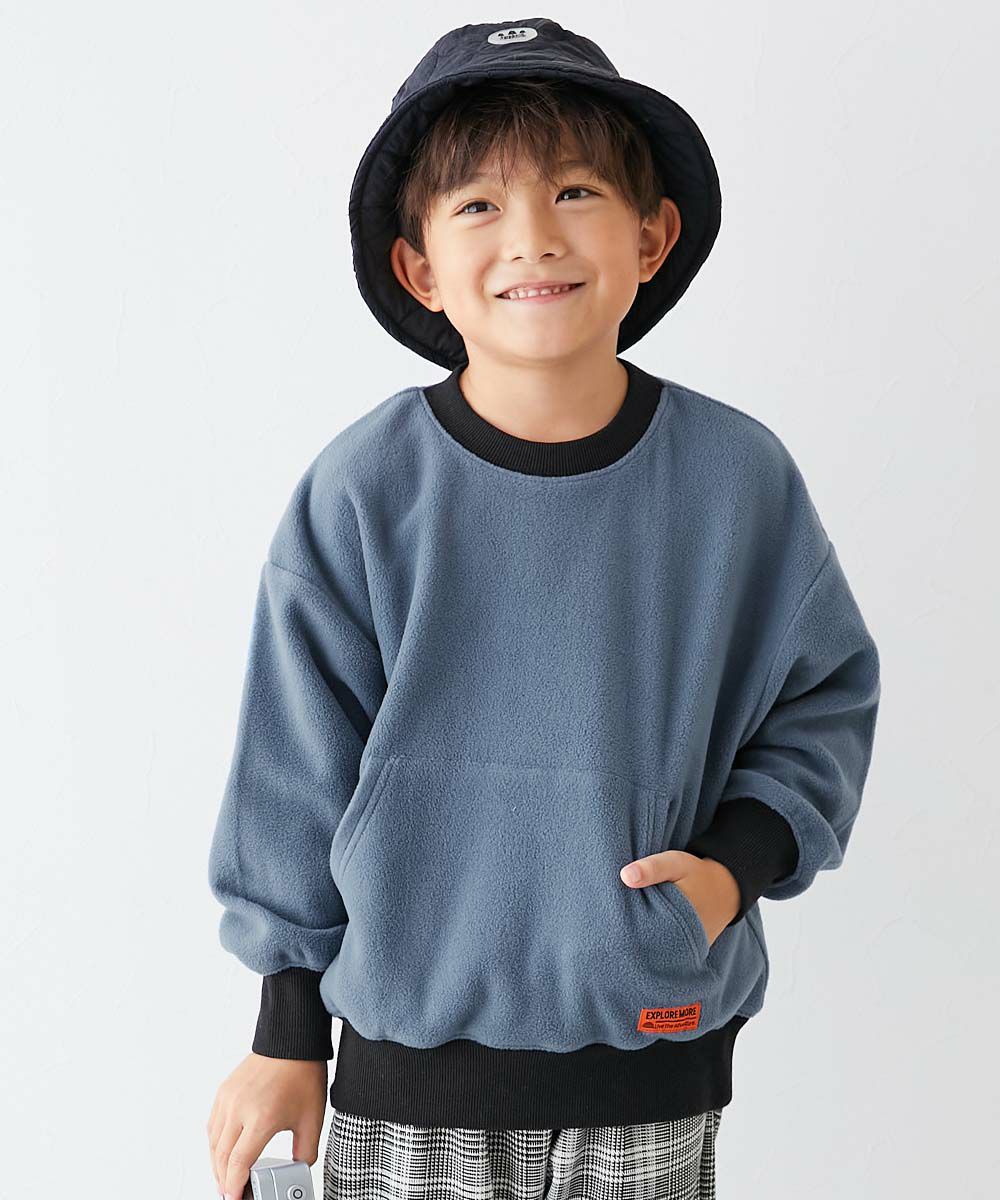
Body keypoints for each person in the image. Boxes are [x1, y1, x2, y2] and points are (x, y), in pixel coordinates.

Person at [206, 17, 882, 1200]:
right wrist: (284, 1031)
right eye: (477, 205)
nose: (533, 237)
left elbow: (822, 699)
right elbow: (291, 775)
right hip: (406, 1069)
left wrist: (729, 871)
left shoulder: (735, 482)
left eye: (574, 191)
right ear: (418, 266)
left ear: (651, 235)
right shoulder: (364, 491)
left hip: (648, 1053)